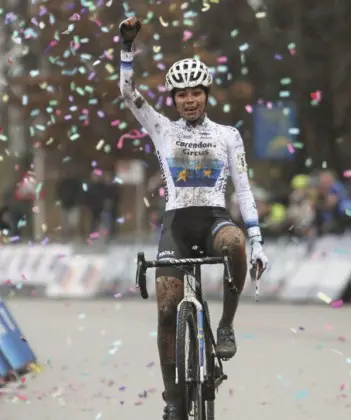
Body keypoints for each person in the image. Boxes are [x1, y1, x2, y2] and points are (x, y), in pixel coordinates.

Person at [118, 16, 270, 420]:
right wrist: (126, 48)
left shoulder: (228, 135)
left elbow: (243, 189)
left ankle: (225, 325)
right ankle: (172, 398)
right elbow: (127, 92)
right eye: (181, 94)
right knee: (167, 312)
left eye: (196, 93)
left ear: (206, 94)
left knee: (234, 243)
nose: (189, 100)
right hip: (177, 227)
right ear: (173, 99)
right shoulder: (162, 129)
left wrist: (255, 238)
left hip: (215, 218)